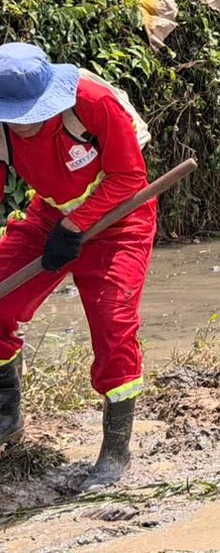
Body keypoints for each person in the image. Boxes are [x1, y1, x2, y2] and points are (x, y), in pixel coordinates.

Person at [0, 42, 155, 493]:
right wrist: (61, 226)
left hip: (121, 218)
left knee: (113, 325)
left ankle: (115, 452)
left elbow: (129, 176)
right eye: (14, 116)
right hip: (50, 215)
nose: (24, 125)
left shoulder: (92, 103)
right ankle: (7, 417)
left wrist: (74, 228)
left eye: (32, 114)